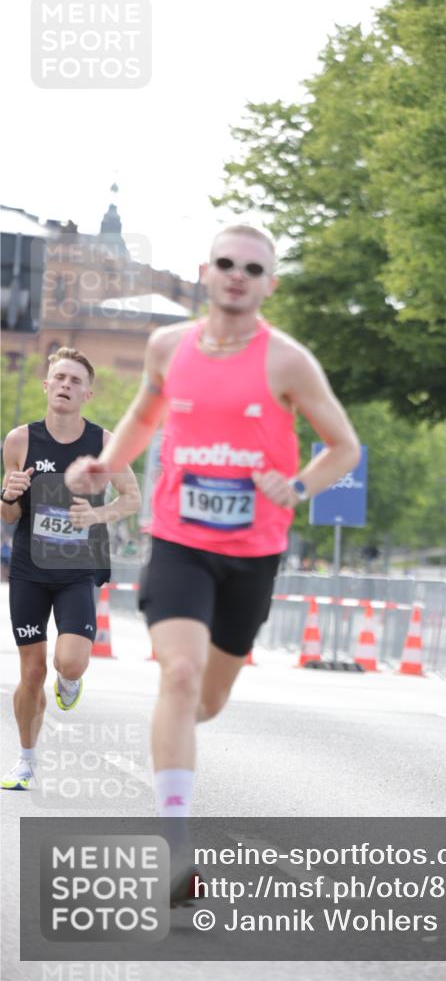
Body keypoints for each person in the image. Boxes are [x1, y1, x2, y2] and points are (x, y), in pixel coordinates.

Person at [65, 225, 360, 856]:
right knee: (178, 673)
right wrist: (105, 462)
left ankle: (173, 736)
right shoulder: (168, 346)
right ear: (205, 271)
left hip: (253, 552)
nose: (236, 275)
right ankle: (174, 841)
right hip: (179, 540)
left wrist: (301, 489)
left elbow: (344, 447)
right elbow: (146, 413)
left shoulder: (288, 360)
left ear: (268, 285)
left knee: (209, 698)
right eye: (226, 263)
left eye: (252, 269)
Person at [1, 348, 141, 791]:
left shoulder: (103, 444)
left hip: (78, 568)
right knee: (30, 672)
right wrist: (7, 494)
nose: (65, 385)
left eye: (74, 380)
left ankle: (70, 680)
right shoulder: (19, 440)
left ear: (87, 393)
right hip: (29, 568)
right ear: (46, 386)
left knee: (71, 663)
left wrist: (96, 517)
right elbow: (8, 517)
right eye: (58, 377)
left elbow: (133, 498)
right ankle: (25, 761)